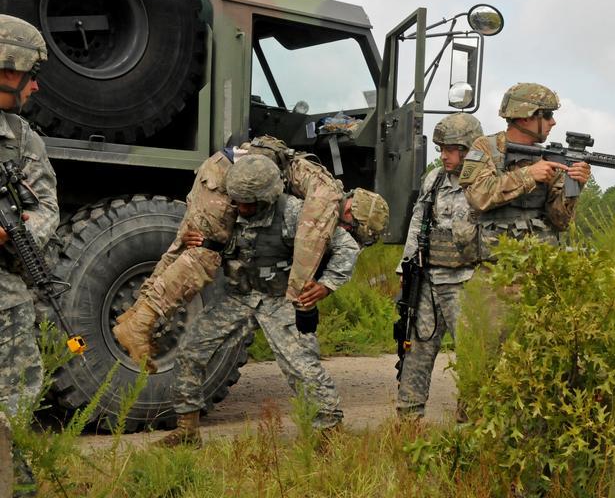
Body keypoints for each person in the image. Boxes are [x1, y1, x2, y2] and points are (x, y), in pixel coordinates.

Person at [113, 135, 388, 370]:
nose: (345, 233)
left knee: (186, 248)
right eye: (352, 231)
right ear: (351, 215)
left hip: (223, 172)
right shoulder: (327, 199)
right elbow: (308, 246)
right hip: (226, 181)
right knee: (205, 254)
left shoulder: (321, 187)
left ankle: (135, 316)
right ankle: (141, 324)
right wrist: (302, 303)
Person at [157, 154, 360, 447]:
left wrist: (326, 285)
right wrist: (197, 241)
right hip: (239, 297)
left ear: (267, 198)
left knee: (302, 367)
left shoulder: (293, 212)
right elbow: (210, 240)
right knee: (191, 350)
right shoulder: (227, 210)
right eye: (238, 201)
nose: (241, 208)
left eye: (249, 204)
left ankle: (330, 433)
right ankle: (187, 430)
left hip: (279, 300)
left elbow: (346, 246)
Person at [0, 15, 59, 495]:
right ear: (5, 68)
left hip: (4, 294)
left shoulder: (21, 139)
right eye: (29, 74)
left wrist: (13, 233)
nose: (34, 86)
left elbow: (45, 209)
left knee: (16, 396)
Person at [396, 112, 484, 420]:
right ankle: (408, 420)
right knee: (416, 351)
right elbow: (418, 221)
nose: (444, 155)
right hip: (428, 281)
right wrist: (405, 268)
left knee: (472, 355)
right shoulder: (434, 179)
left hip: (467, 284)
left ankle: (470, 425)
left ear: (469, 149)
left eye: (451, 149)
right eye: (441, 149)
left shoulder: (484, 183)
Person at [458, 83, 590, 246]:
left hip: (539, 256)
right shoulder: (486, 147)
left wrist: (574, 184)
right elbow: (478, 198)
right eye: (547, 115)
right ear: (525, 117)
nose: (553, 122)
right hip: (496, 256)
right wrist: (529, 175)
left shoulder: (547, 158)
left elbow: (561, 222)